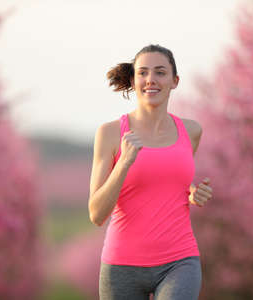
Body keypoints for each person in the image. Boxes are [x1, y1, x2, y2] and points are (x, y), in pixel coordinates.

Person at [88, 44, 213, 300]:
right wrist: (124, 163)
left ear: (174, 81)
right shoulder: (110, 133)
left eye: (160, 72)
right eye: (143, 73)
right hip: (121, 265)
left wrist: (192, 193)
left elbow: (170, 181)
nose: (151, 80)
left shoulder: (191, 131)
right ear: (133, 80)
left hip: (180, 260)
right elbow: (96, 214)